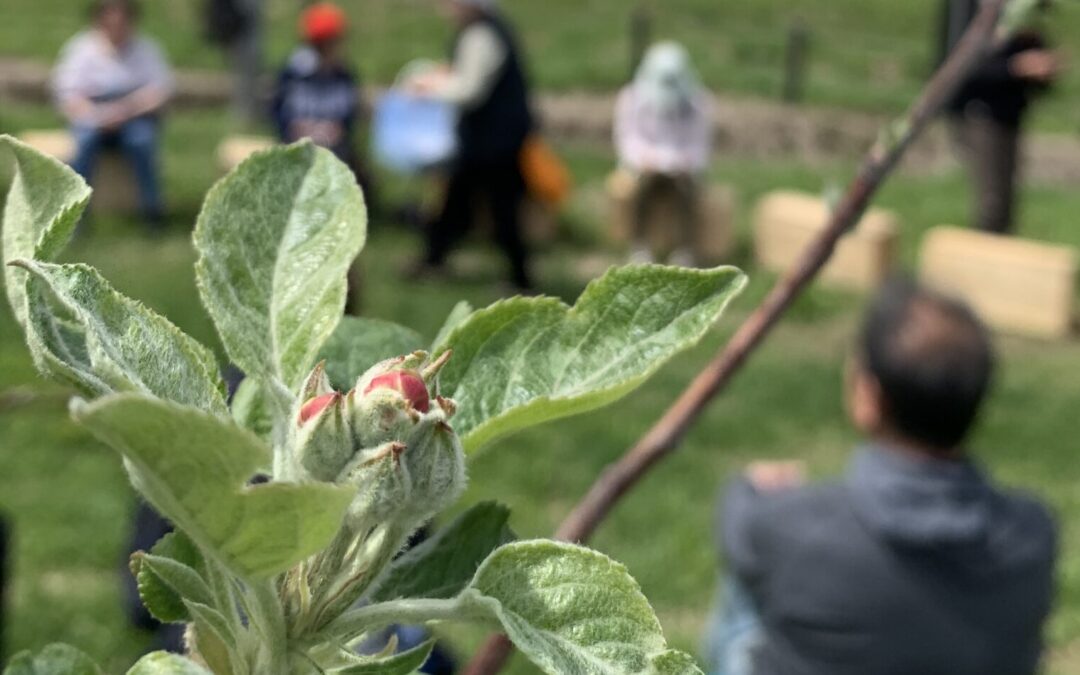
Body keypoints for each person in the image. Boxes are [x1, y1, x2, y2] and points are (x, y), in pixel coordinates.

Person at [707, 279, 1057, 675]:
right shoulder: (1033, 532)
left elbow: (739, 524)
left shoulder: (797, 531)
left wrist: (750, 489)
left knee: (743, 601)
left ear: (870, 398)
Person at [408, 0, 536, 292]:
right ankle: (434, 260)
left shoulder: (482, 36)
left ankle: (521, 279)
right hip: (483, 141)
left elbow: (469, 91)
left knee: (502, 211)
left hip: (496, 142)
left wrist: (429, 88)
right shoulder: (482, 32)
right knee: (457, 203)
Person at [940, 0, 1060, 234]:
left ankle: (997, 254)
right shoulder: (969, 9)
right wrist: (1016, 66)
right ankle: (982, 259)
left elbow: (1031, 57)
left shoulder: (1023, 11)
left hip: (1010, 113)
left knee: (1005, 201)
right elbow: (961, 68)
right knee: (991, 202)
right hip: (979, 112)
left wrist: (1042, 68)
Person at [52, 0, 174, 228]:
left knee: (142, 142)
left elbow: (160, 91)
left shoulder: (147, 50)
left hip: (135, 115)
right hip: (92, 116)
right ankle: (76, 215)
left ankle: (152, 211)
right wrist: (97, 115)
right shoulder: (80, 49)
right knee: (84, 143)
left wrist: (126, 111)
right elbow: (67, 94)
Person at [615, 42, 712, 266]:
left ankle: (685, 251)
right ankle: (639, 247)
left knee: (688, 192)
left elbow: (699, 144)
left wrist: (688, 163)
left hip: (682, 171)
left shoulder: (699, 102)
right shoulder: (632, 98)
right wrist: (644, 159)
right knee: (641, 189)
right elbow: (627, 138)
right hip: (645, 168)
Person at [271, 3, 362, 172]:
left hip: (334, 150)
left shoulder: (344, 75)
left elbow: (349, 116)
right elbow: (277, 111)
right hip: (295, 145)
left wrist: (338, 130)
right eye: (321, 44)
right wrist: (292, 128)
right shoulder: (292, 73)